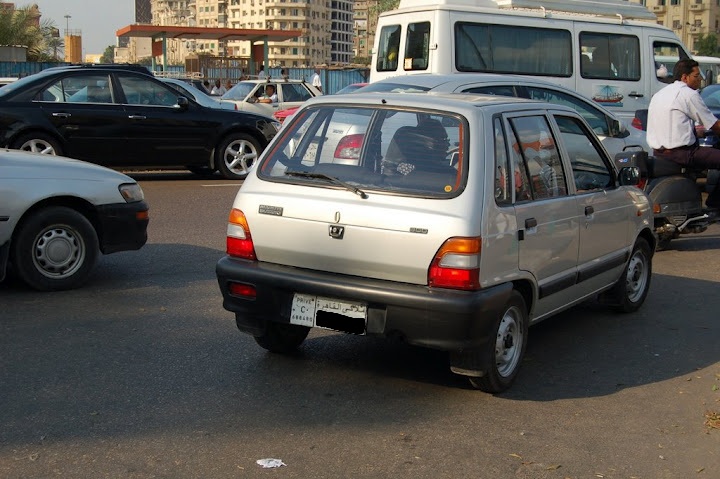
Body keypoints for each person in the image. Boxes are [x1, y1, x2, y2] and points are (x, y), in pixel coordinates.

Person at [647, 58, 720, 209]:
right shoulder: (688, 93)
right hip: (682, 154)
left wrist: (695, 132)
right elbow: (714, 125)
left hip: (659, 153)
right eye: (696, 76)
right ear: (684, 77)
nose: (700, 80)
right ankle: (714, 205)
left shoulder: (660, 94)